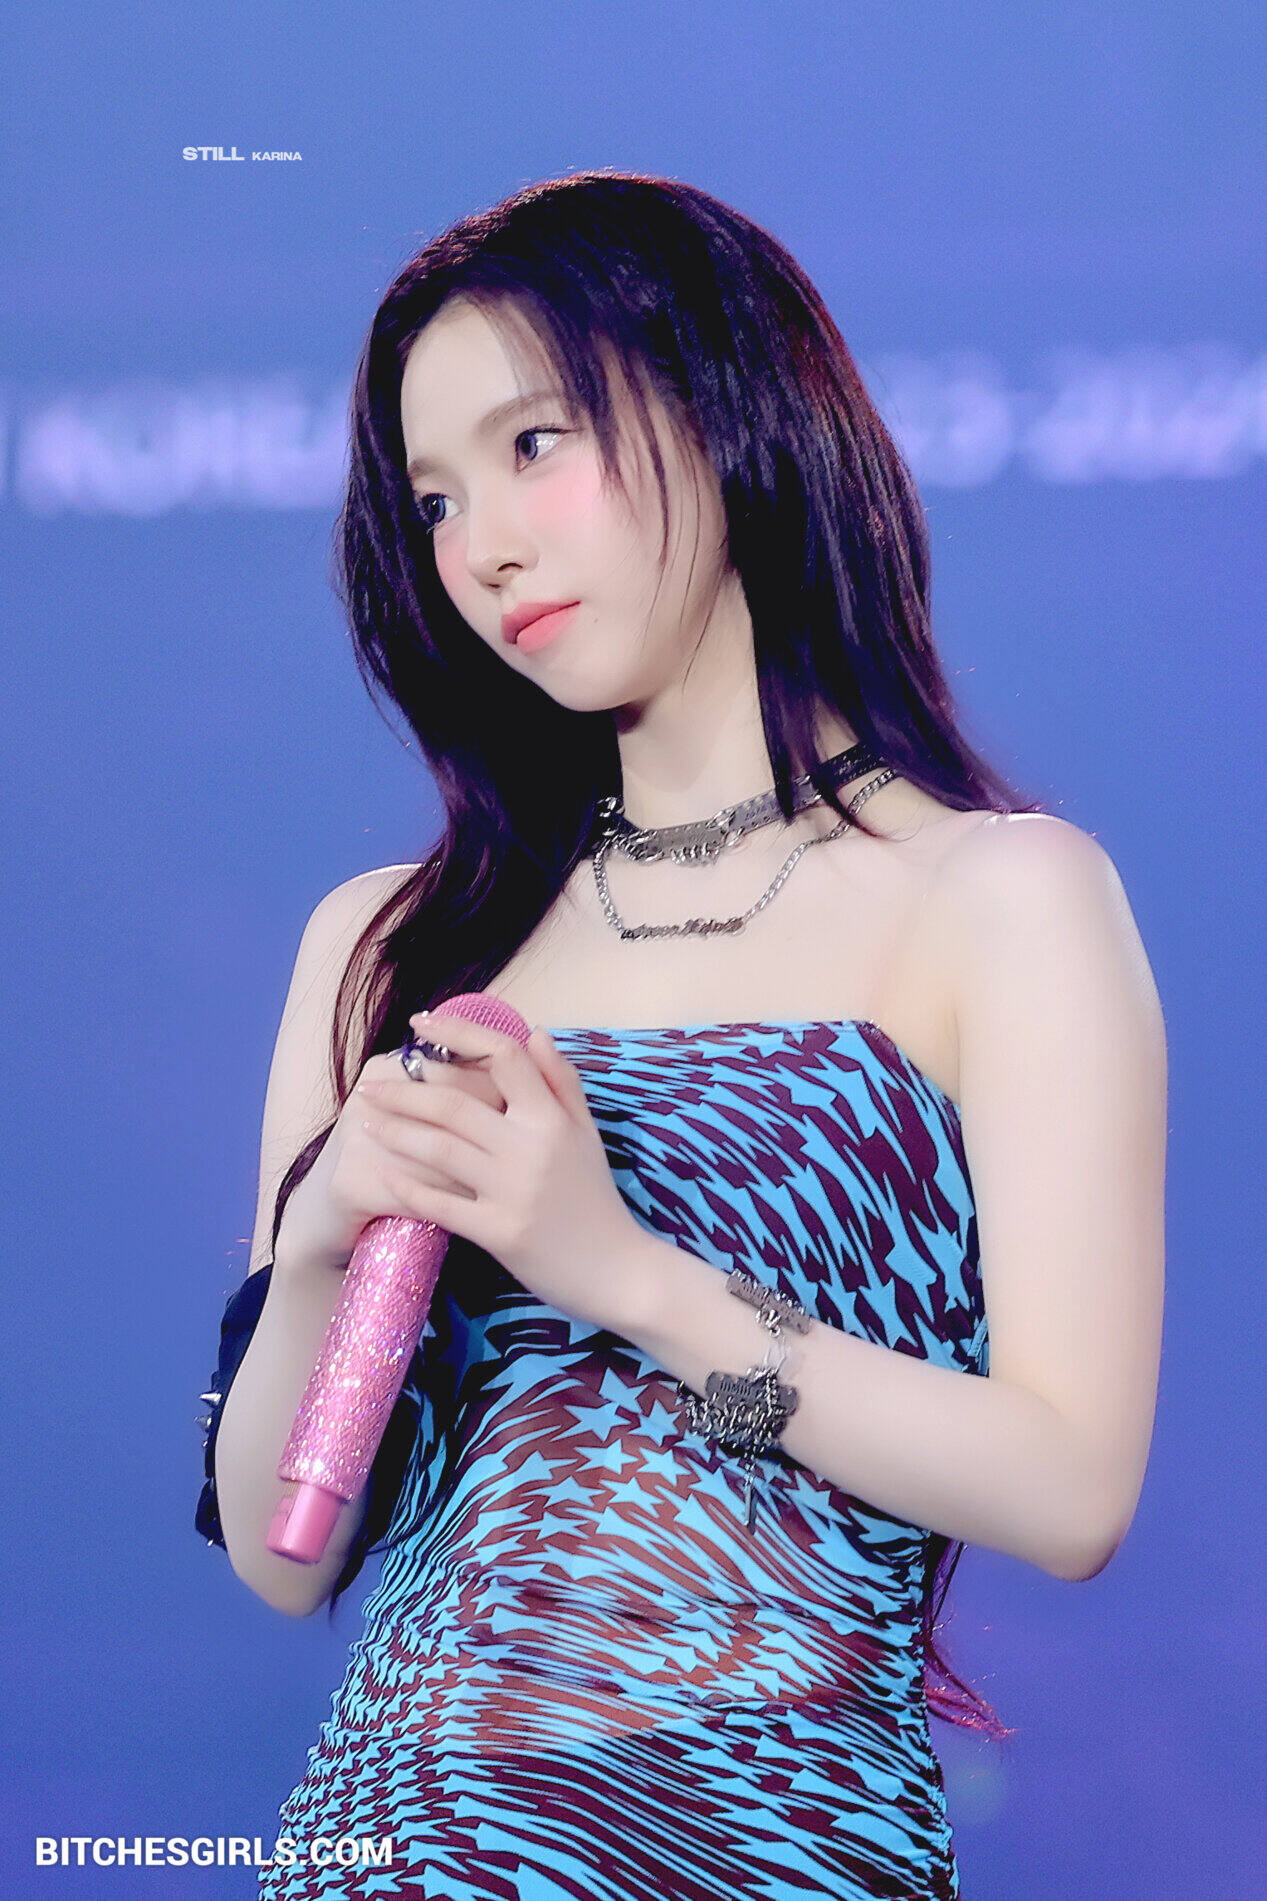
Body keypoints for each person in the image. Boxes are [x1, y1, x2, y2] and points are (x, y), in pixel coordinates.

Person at [196, 171, 1167, 1900]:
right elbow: (284, 1555)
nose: (483, 546)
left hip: (768, 1842)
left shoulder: (999, 897)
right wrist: (327, 1230)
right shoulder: (387, 943)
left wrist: (627, 1275)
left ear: (724, 409)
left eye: (534, 445)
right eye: (433, 501)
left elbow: (1070, 1485)